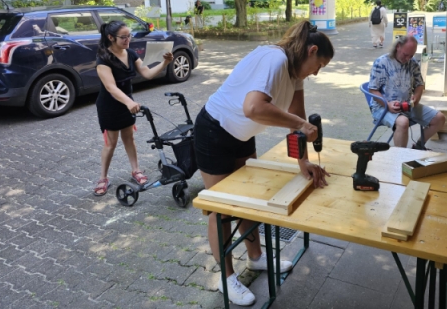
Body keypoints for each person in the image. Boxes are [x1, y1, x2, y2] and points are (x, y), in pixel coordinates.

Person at [194, 21, 333, 306]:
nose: (317, 72)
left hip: (242, 136)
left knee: (248, 200)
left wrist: (303, 162)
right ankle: (227, 279)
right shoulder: (275, 59)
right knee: (221, 210)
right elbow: (254, 108)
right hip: (214, 131)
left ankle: (256, 258)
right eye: (319, 65)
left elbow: (297, 117)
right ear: (311, 50)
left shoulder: (295, 72)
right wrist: (302, 125)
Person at [94, 21, 174, 196]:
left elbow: (147, 73)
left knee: (129, 138)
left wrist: (165, 63)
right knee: (111, 143)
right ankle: (103, 178)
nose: (128, 40)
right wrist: (128, 102)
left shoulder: (130, 53)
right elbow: (110, 87)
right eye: (123, 37)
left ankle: (136, 170)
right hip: (110, 106)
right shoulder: (103, 59)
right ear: (111, 37)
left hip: (128, 104)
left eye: (129, 36)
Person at [368, 35, 445, 149]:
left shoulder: (412, 63)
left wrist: (417, 97)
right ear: (398, 47)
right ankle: (400, 156)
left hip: (407, 105)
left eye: (411, 55)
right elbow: (373, 90)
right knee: (403, 122)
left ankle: (418, 146)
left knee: (439, 118)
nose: (408, 59)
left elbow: (419, 84)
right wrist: (387, 104)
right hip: (382, 107)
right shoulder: (381, 62)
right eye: (405, 54)